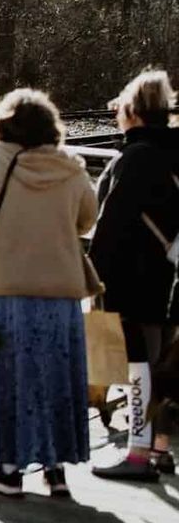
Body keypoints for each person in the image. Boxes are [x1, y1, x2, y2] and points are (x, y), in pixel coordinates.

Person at [0, 88, 97, 498]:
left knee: (6, 379)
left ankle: (7, 469)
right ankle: (56, 466)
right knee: (54, 378)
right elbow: (86, 219)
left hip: (2, 290)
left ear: (2, 123)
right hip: (61, 296)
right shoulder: (72, 167)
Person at [89, 70, 179, 481]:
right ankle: (160, 449)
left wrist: (95, 279)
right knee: (162, 361)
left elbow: (111, 224)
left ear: (134, 113)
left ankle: (138, 451)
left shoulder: (137, 157)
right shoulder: (172, 152)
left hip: (135, 275)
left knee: (138, 362)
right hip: (168, 275)